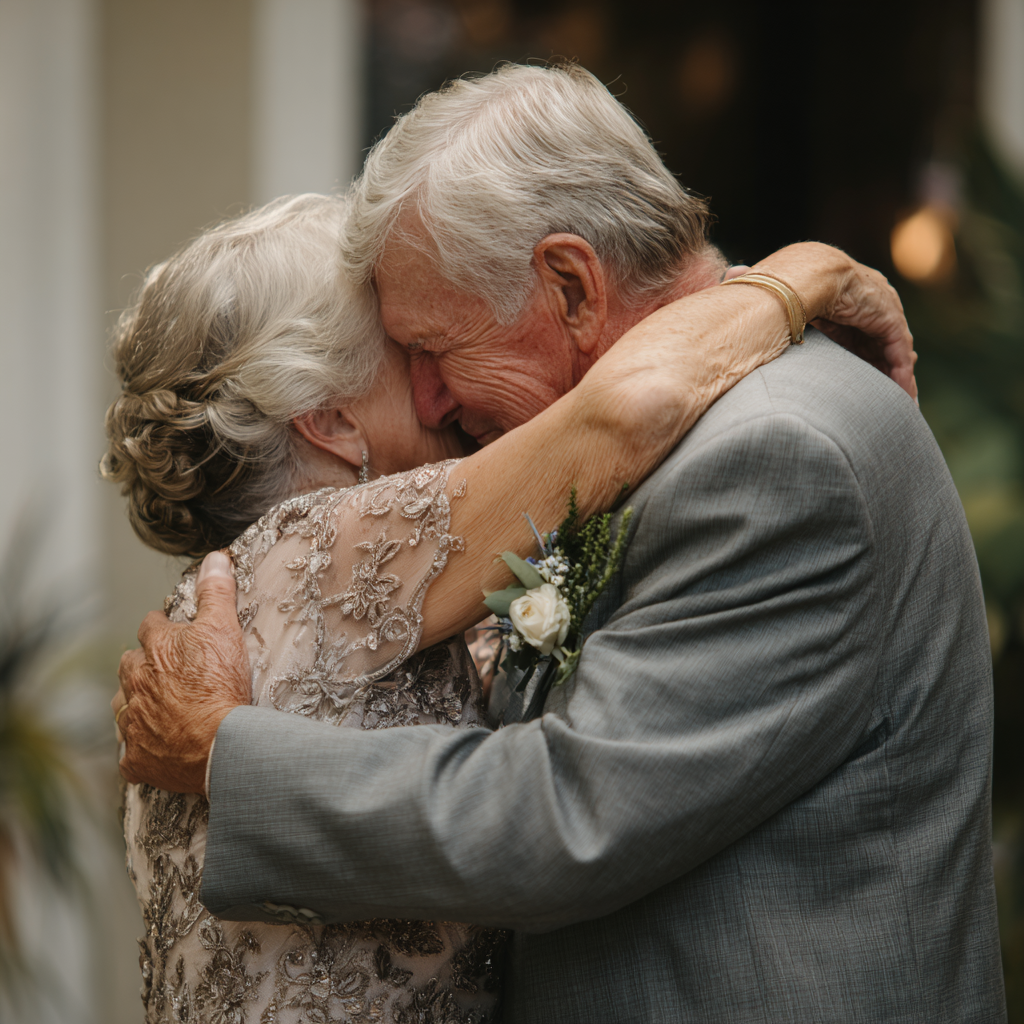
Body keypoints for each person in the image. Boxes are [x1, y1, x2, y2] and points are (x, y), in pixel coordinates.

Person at [115, 65, 1004, 1023]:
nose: (432, 400)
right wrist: (802, 275)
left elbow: (572, 813)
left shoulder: (772, 456)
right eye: (404, 362)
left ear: (571, 285)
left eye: (434, 348)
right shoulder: (576, 471)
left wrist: (226, 756)